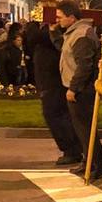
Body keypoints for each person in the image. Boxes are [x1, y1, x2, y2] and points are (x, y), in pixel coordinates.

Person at [56, 0, 102, 180]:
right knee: (83, 129)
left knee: (86, 129)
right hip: (78, 87)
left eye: (60, 17)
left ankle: (97, 163)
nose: (58, 21)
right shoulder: (73, 32)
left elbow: (84, 66)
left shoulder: (82, 34)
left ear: (71, 17)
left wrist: (74, 88)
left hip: (82, 90)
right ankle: (94, 161)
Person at [25, 19, 80, 164]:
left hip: (54, 81)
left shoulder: (54, 33)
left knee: (56, 115)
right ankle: (73, 148)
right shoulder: (50, 33)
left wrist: (42, 26)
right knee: (60, 115)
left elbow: (32, 36)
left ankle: (71, 149)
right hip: (49, 80)